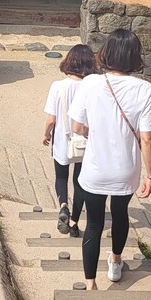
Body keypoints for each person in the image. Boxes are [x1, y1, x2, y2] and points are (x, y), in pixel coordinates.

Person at [68, 29, 151, 289]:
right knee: (120, 214)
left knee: (94, 222)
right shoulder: (145, 89)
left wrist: (92, 132)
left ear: (105, 52)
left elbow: (76, 126)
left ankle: (89, 283)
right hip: (126, 169)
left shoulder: (91, 83)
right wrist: (150, 175)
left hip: (95, 167)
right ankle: (116, 261)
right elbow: (147, 138)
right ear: (135, 57)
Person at [43, 44, 97, 238]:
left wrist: (47, 134)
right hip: (85, 139)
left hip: (63, 139)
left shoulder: (58, 86)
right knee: (79, 180)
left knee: (61, 176)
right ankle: (74, 221)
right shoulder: (93, 86)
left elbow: (51, 119)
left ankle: (63, 206)